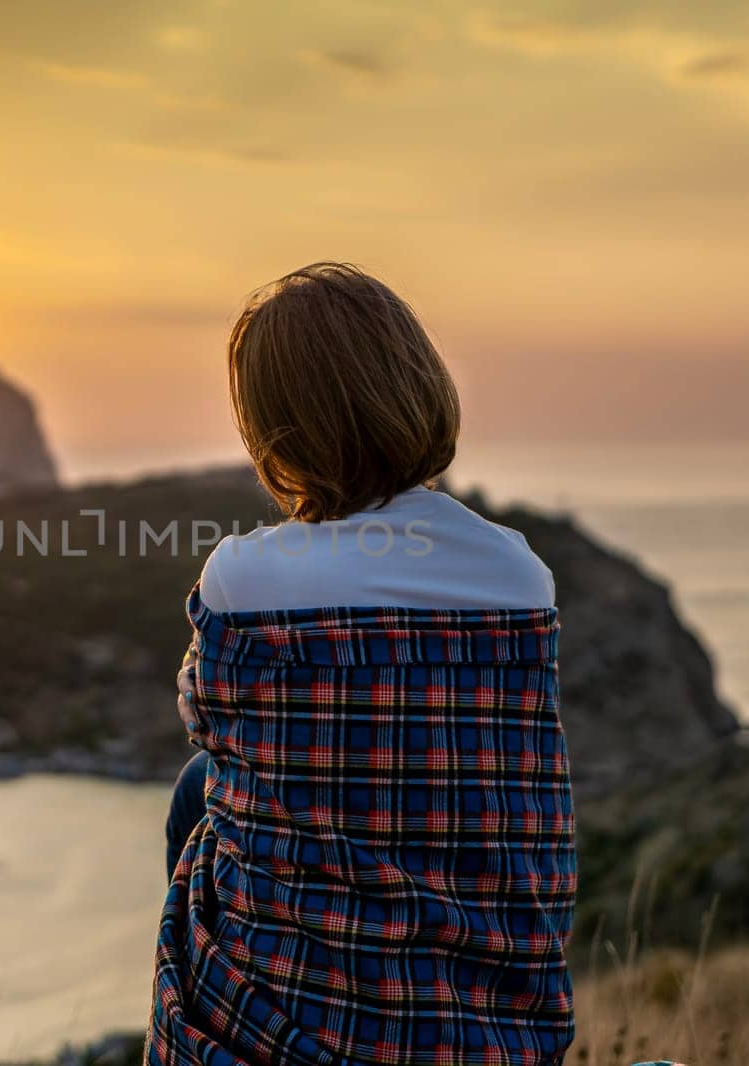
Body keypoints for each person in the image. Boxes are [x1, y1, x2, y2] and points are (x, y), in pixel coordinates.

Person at [147, 262, 575, 1065]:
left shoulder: (241, 578)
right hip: (501, 1023)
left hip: (303, 1024)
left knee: (196, 793)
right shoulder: (520, 575)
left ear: (276, 430)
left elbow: (201, 717)